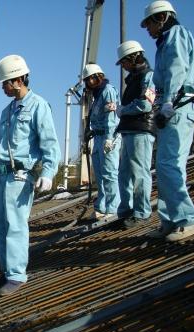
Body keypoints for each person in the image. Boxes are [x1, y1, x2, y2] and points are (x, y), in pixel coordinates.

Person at [0, 55, 61, 296]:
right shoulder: (7, 110)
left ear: (19, 79)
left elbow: (50, 143)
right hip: (3, 175)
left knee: (15, 226)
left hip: (21, 177)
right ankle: (7, 269)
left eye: (5, 82)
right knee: (2, 226)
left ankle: (16, 275)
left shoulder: (38, 106)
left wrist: (48, 171)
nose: (3, 87)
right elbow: (4, 145)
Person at [141, 0, 194, 241]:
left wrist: (168, 103)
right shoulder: (163, 42)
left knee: (169, 165)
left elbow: (177, 69)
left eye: (149, 24)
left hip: (178, 105)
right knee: (165, 166)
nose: (147, 29)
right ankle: (170, 219)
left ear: (162, 18)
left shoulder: (175, 34)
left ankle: (189, 219)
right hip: (169, 107)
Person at [115, 41, 156, 227]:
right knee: (124, 174)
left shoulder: (148, 76)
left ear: (133, 58)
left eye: (123, 62)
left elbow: (146, 104)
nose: (122, 66)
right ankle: (126, 211)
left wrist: (123, 110)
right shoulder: (133, 79)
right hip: (129, 130)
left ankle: (141, 212)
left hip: (141, 130)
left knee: (140, 173)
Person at [83, 63, 121, 219]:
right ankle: (102, 206)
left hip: (108, 137)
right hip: (98, 137)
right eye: (87, 80)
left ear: (97, 77)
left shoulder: (108, 91)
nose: (88, 83)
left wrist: (109, 138)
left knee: (109, 173)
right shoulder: (97, 95)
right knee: (99, 173)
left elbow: (111, 118)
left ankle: (113, 208)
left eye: (90, 79)